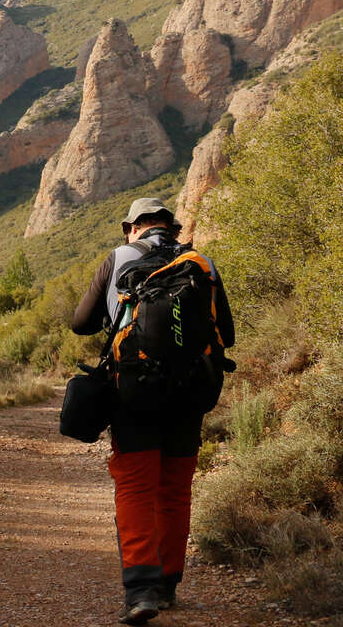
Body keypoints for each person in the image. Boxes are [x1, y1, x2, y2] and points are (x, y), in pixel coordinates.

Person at [71, 197, 235, 625]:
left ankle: (141, 591)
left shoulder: (119, 257)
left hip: (135, 390)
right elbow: (229, 335)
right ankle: (167, 586)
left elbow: (80, 323)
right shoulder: (202, 262)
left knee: (136, 485)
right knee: (176, 489)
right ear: (173, 229)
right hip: (192, 389)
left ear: (133, 228)